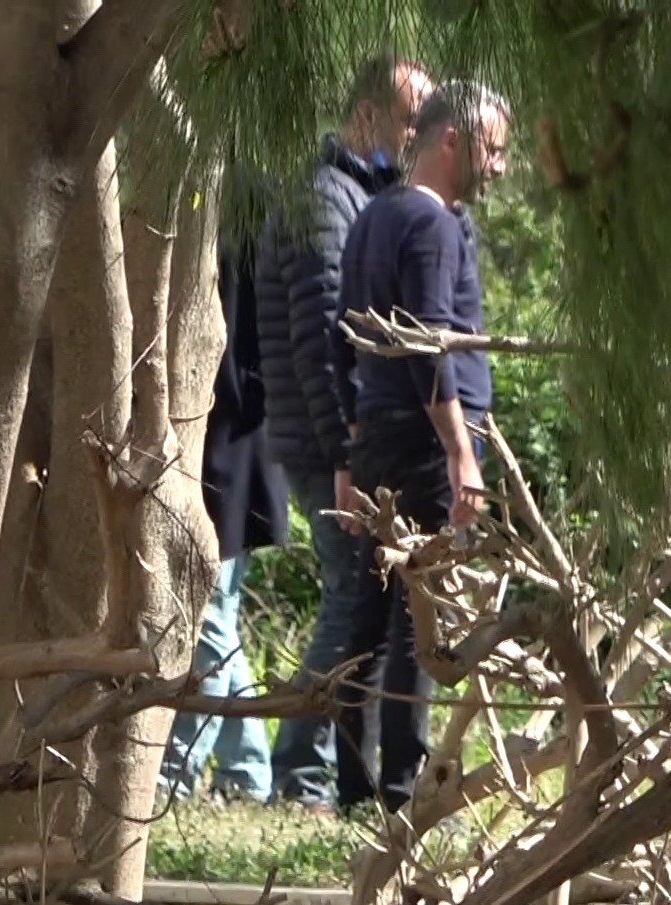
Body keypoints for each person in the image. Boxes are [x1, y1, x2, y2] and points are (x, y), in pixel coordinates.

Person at [252, 54, 433, 811]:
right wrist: (342, 454)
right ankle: (299, 766)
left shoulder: (362, 195)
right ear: (368, 118)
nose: (422, 134)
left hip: (341, 440)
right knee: (352, 595)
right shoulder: (327, 200)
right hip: (327, 443)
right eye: (411, 120)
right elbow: (323, 338)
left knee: (358, 593)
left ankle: (310, 762)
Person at [327, 79, 511, 813]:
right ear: (452, 141)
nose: (498, 167)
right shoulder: (433, 227)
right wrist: (462, 453)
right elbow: (431, 343)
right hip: (425, 445)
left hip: (375, 438)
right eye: (493, 150)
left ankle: (351, 786)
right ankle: (401, 787)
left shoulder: (373, 216)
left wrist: (350, 447)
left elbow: (341, 340)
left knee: (366, 618)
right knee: (420, 615)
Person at [159, 227, 289, 805]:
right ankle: (248, 773)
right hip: (235, 443)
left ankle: (178, 769)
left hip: (229, 446)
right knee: (219, 614)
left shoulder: (241, 236)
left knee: (208, 612)